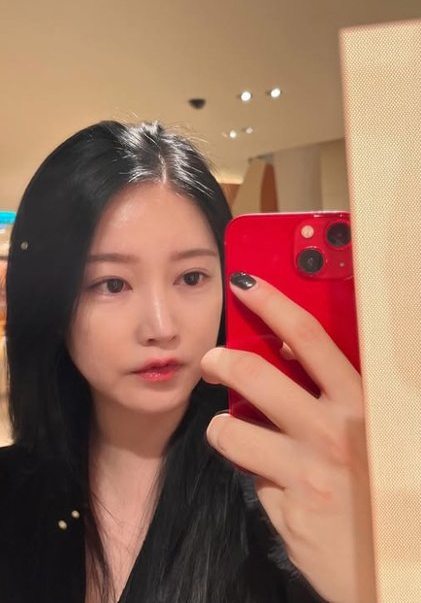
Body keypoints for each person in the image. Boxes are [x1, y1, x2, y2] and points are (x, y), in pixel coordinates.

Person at [0, 121, 376, 603]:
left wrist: (372, 582)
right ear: (51, 302)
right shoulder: (12, 498)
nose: (161, 327)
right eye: (112, 284)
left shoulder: (286, 498)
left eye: (192, 277)